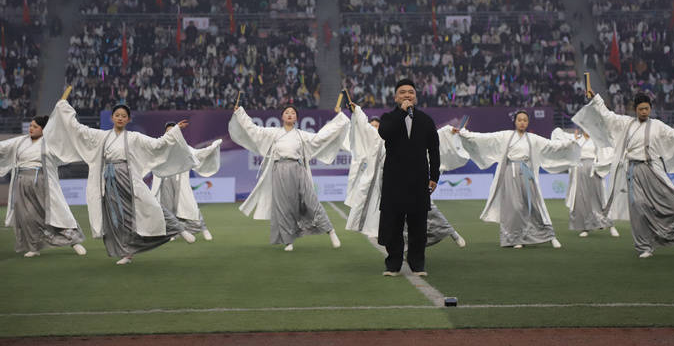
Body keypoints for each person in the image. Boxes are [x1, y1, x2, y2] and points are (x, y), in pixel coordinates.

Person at [44, 100, 197, 265]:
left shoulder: (134, 137)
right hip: (109, 180)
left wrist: (174, 131)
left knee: (151, 204)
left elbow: (157, 144)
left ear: (128, 119)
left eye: (124, 116)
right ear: (112, 118)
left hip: (128, 177)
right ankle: (127, 253)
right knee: (119, 218)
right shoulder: (102, 136)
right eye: (117, 115)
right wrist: (64, 110)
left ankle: (178, 228)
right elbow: (78, 130)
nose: (120, 118)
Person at [573, 91, 674, 258]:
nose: (644, 112)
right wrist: (596, 98)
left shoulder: (658, 126)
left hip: (653, 171)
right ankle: (644, 247)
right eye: (641, 109)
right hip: (633, 172)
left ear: (650, 109)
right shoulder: (626, 123)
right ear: (635, 109)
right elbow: (607, 115)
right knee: (638, 209)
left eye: (647, 108)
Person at [228, 103, 348, 251]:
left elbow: (322, 137)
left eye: (292, 113)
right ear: (282, 117)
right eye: (287, 112)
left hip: (298, 169)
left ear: (296, 118)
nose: (290, 114)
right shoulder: (274, 133)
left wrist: (340, 120)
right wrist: (240, 113)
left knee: (311, 201)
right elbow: (253, 129)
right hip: (279, 170)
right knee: (283, 206)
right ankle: (288, 241)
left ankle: (330, 231)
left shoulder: (301, 135)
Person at [344, 103, 466, 248]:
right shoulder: (374, 140)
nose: (375, 128)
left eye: (377, 125)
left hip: (410, 181)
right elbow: (363, 125)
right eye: (373, 126)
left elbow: (429, 136)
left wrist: (448, 131)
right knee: (400, 220)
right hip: (389, 186)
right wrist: (357, 110)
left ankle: (452, 232)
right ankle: (407, 248)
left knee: (430, 209)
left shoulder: (396, 136)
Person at [454, 111, 579, 249]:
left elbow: (551, 145)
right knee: (514, 207)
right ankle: (515, 238)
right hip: (510, 172)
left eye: (525, 120)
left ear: (528, 122)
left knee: (535, 205)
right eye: (519, 120)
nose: (522, 122)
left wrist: (570, 142)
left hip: (527, 173)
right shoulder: (506, 136)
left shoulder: (533, 138)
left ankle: (549, 236)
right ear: (515, 121)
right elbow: (485, 138)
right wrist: (464, 133)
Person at [378, 79, 440, 276]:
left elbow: (434, 150)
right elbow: (384, 133)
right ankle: (393, 264)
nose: (407, 95)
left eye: (411, 92)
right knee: (393, 224)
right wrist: (402, 113)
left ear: (416, 96)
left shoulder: (426, 120)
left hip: (418, 180)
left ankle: (417, 264)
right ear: (396, 97)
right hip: (394, 180)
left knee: (418, 225)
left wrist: (434, 176)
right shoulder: (388, 118)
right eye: (402, 92)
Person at [0, 115, 87, 258]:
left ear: (43, 129)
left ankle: (74, 241)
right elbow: (3, 147)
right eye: (30, 126)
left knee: (56, 213)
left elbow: (67, 150)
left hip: (42, 181)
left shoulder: (50, 143)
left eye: (35, 126)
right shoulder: (20, 141)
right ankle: (34, 247)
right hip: (21, 181)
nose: (31, 128)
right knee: (27, 216)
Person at [152, 122, 223, 241]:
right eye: (169, 131)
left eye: (174, 131)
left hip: (180, 181)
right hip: (164, 180)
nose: (171, 133)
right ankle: (172, 232)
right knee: (167, 208)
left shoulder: (184, 148)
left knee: (190, 205)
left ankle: (203, 228)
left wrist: (212, 148)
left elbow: (199, 154)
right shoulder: (160, 147)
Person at [551, 127, 619, 238]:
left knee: (600, 198)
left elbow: (610, 148)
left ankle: (610, 225)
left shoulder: (597, 139)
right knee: (582, 199)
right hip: (579, 170)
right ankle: (585, 227)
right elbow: (556, 133)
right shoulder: (576, 138)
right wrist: (572, 140)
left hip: (594, 170)